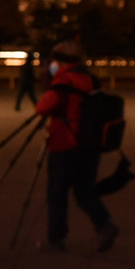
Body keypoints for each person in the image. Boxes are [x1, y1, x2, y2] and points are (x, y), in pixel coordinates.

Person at [36, 40, 119, 253]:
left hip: (65, 144)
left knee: (57, 193)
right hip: (90, 145)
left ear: (60, 62)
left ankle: (56, 238)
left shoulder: (64, 79)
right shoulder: (90, 78)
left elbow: (44, 107)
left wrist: (47, 82)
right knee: (84, 191)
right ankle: (105, 225)